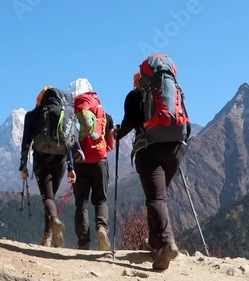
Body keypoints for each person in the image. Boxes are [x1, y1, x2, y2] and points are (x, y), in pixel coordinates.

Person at [115, 54, 189, 270]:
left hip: (150, 150)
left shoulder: (135, 95)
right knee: (157, 197)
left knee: (155, 198)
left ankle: (167, 242)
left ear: (141, 79)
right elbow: (187, 123)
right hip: (176, 149)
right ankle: (155, 243)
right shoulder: (176, 91)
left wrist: (116, 134)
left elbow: (128, 125)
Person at [19, 86, 77, 248]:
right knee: (50, 198)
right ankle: (48, 236)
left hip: (41, 159)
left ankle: (53, 223)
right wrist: (72, 167)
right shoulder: (64, 114)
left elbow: (25, 142)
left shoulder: (32, 115)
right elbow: (69, 141)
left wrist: (23, 165)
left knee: (47, 197)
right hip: (61, 160)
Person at [72, 85, 115, 251]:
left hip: (80, 163)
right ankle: (102, 228)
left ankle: (84, 243)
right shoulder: (106, 116)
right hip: (100, 162)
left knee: (81, 203)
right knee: (101, 199)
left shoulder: (75, 116)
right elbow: (110, 144)